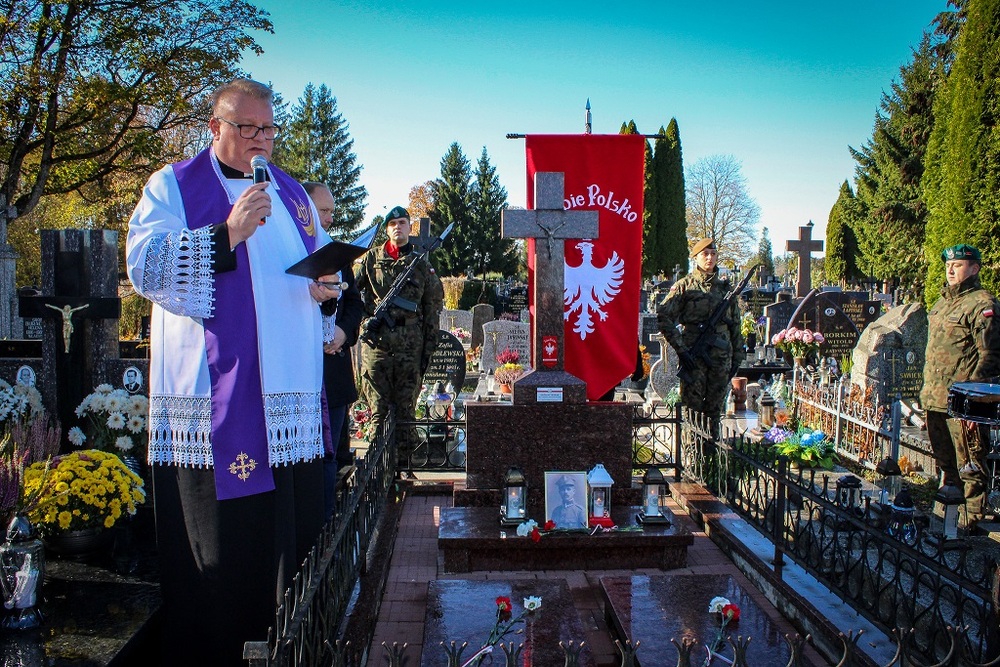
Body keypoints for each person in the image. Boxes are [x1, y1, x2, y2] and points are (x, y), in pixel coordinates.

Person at [125, 78, 341, 666]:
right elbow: (144, 265)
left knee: (286, 563)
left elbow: (315, 270)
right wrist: (226, 234)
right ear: (215, 125)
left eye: (268, 129)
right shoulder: (173, 186)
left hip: (286, 413)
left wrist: (328, 287)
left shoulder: (293, 194)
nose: (261, 141)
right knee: (222, 572)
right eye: (248, 129)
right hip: (213, 412)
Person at [355, 207, 443, 469]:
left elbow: (432, 309)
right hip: (377, 347)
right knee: (378, 411)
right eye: (392, 223)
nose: (397, 227)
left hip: (410, 348)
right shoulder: (370, 261)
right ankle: (376, 472)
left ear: (409, 227)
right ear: (387, 228)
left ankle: (404, 470)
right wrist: (363, 324)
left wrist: (427, 350)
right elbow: (349, 296)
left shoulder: (422, 266)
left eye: (402, 222)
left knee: (406, 411)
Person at [921, 244, 1000, 528]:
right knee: (945, 463)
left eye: (958, 264)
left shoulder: (982, 304)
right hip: (936, 399)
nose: (951, 269)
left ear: (975, 268)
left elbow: (990, 355)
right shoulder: (942, 304)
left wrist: (975, 403)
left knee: (970, 463)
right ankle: (947, 513)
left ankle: (970, 522)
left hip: (964, 403)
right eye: (948, 265)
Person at [304, 182, 364, 516]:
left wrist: (342, 332)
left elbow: (355, 303)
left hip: (334, 372)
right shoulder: (291, 251)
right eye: (322, 210)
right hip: (300, 373)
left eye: (331, 212)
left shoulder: (337, 254)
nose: (328, 219)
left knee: (332, 456)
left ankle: (328, 525)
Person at [656, 238, 744, 438]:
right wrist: (681, 348)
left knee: (714, 409)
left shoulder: (724, 290)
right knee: (692, 410)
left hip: (721, 358)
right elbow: (663, 317)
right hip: (693, 356)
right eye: (705, 254)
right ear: (695, 257)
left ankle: (711, 457)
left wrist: (737, 357)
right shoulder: (684, 286)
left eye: (713, 254)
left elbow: (736, 327)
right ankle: (693, 457)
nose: (710, 258)